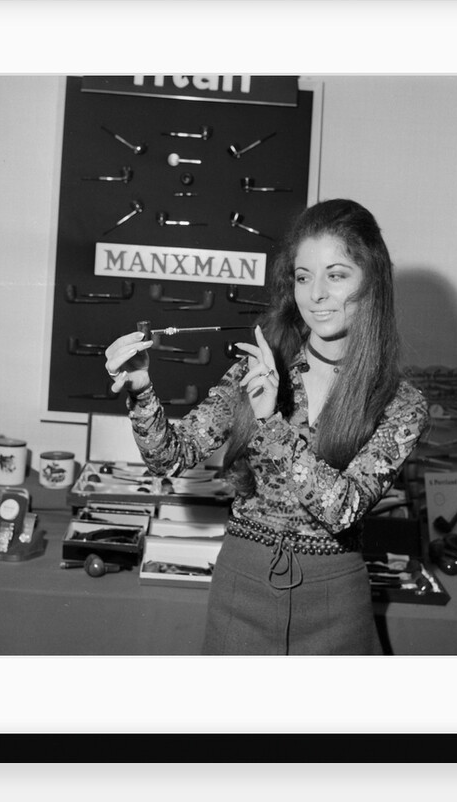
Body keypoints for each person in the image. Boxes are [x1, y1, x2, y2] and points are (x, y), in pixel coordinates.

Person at [103, 198, 429, 655]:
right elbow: (170, 458)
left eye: (336, 275)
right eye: (302, 276)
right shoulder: (257, 367)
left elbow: (343, 509)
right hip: (243, 583)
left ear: (372, 281)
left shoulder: (402, 403)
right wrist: (142, 390)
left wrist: (271, 422)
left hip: (336, 595)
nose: (314, 294)